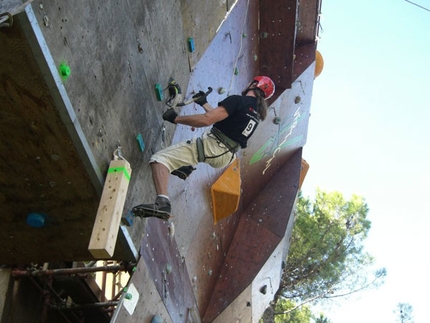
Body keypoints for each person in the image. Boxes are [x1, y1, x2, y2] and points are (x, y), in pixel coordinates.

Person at [132, 76, 275, 220]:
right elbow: (223, 119)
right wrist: (204, 103)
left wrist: (175, 119)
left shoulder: (238, 100)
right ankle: (184, 167)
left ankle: (163, 203)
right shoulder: (255, 113)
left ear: (255, 84)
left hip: (213, 147)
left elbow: (208, 119)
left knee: (159, 160)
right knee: (192, 151)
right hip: (225, 156)